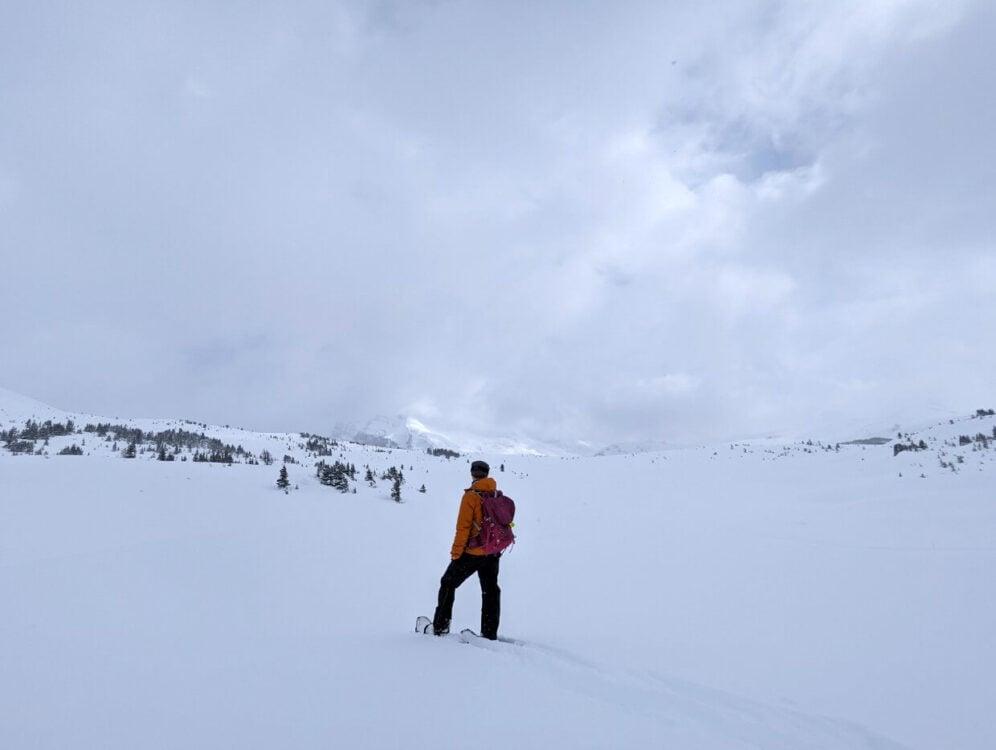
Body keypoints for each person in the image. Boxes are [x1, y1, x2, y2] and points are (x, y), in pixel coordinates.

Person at [432, 460, 502, 639]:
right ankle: (489, 633)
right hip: (492, 552)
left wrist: (456, 554)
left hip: (473, 552)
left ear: (472, 473)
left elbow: (463, 528)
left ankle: (440, 627)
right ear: (487, 474)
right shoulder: (495, 493)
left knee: (448, 583)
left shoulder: (471, 496)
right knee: (490, 590)